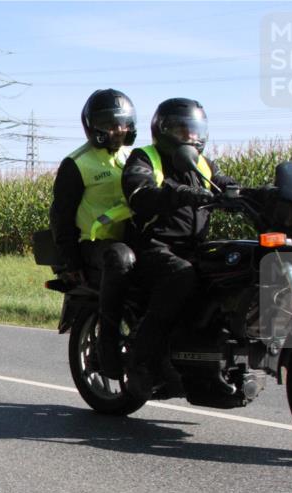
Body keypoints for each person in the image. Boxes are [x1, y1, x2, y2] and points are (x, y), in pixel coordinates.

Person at [121, 97, 239, 399]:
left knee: (234, 270)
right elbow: (140, 192)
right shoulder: (144, 158)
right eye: (184, 131)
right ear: (164, 130)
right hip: (154, 246)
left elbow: (225, 183)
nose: (192, 138)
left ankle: (211, 353)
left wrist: (253, 194)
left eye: (196, 131)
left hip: (194, 247)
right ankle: (141, 360)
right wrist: (180, 193)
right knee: (182, 277)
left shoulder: (202, 163)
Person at [50, 89, 138, 379]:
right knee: (119, 259)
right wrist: (71, 263)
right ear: (92, 125)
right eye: (109, 123)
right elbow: (61, 217)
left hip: (131, 239)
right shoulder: (77, 164)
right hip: (93, 245)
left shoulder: (133, 157)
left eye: (122, 123)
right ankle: (108, 344)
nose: (117, 130)